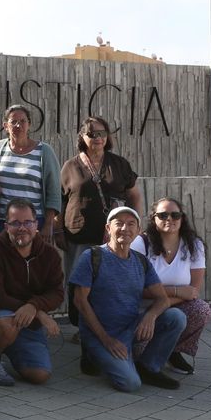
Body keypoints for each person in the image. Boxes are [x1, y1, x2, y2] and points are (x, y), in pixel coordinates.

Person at [71, 207, 186, 392]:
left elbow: (162, 299)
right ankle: (93, 355)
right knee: (131, 384)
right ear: (108, 228)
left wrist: (150, 317)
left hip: (130, 328)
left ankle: (149, 366)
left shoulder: (141, 261)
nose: (125, 228)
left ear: (138, 231)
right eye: (119, 223)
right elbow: (80, 302)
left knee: (176, 317)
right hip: (99, 335)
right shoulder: (92, 256)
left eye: (131, 224)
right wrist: (107, 340)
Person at [0, 199, 65, 387]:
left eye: (27, 222)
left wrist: (33, 306)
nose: (22, 228)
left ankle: (6, 343)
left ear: (36, 225)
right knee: (7, 325)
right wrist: (35, 310)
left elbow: (57, 293)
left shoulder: (50, 254)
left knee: (39, 375)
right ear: (6, 226)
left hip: (26, 320)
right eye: (15, 223)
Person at [56, 115, 143, 294]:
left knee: (112, 285)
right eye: (92, 133)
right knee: (80, 286)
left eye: (102, 133)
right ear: (82, 137)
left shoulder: (119, 164)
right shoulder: (70, 166)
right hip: (79, 235)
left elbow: (134, 195)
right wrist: (57, 230)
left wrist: (136, 224)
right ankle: (80, 320)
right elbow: (60, 201)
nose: (97, 138)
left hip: (114, 236)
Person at [130, 198, 210, 374]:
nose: (169, 219)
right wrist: (177, 291)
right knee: (134, 354)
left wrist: (156, 309)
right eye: (163, 215)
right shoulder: (140, 244)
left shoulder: (194, 245)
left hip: (169, 307)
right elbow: (135, 288)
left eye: (175, 215)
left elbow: (193, 293)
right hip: (138, 309)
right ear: (153, 218)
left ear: (182, 218)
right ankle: (148, 350)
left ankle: (173, 350)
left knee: (201, 309)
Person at [0, 105, 61, 244]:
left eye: (23, 121)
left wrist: (49, 224)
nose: (18, 125)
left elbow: (54, 191)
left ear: (29, 125)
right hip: (0, 223)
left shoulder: (44, 151)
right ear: (5, 126)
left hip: (32, 225)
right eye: (13, 121)